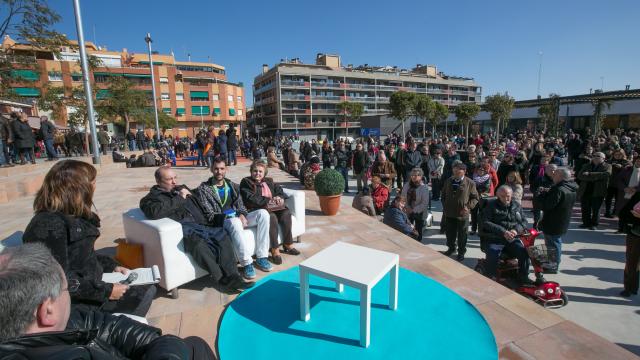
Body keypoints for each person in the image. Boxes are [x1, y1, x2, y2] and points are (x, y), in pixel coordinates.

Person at [0, 243, 217, 359]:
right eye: (66, 289)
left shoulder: (69, 321)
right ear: (47, 311)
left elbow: (110, 327)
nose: (71, 295)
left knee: (192, 344)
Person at [23, 160, 156, 316]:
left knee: (148, 288)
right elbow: (58, 279)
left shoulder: (71, 215)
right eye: (93, 182)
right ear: (79, 189)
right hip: (77, 303)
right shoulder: (48, 226)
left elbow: (81, 256)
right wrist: (107, 292)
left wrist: (111, 265)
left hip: (91, 285)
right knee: (143, 295)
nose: (95, 186)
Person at [140, 165, 253, 294]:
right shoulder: (150, 199)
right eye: (169, 179)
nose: (174, 182)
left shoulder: (180, 188)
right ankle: (222, 279)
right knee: (199, 245)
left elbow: (198, 201)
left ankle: (234, 277)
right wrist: (180, 198)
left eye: (175, 177)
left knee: (222, 235)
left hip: (201, 225)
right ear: (159, 181)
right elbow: (154, 212)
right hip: (185, 230)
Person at [195, 158, 272, 279]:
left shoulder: (232, 185)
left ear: (226, 169)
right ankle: (247, 263)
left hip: (237, 218)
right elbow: (208, 213)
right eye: (216, 169)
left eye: (222, 169)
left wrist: (242, 214)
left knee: (263, 213)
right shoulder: (204, 188)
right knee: (235, 221)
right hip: (221, 221)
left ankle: (262, 256)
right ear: (211, 169)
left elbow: (240, 205)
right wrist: (229, 216)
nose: (219, 172)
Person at [240, 160, 300, 266]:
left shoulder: (269, 181)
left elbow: (279, 191)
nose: (257, 173)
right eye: (255, 171)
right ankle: (274, 249)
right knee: (271, 217)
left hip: (272, 206)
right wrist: (271, 201)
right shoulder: (246, 182)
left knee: (286, 213)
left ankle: (288, 244)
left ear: (264, 173)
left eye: (260, 171)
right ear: (251, 171)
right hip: (257, 209)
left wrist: (279, 197)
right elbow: (251, 199)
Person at [482, 186, 532, 284]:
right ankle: (490, 278)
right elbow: (486, 222)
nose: (506, 198)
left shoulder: (516, 205)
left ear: (511, 195)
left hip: (512, 238)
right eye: (503, 196)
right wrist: (503, 232)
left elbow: (524, 221)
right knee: (492, 256)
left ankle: (523, 277)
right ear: (497, 196)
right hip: (495, 238)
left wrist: (516, 230)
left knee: (524, 253)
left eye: (508, 196)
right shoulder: (491, 205)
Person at [536, 168, 577, 273]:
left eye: (555, 174)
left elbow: (547, 205)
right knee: (554, 243)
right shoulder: (571, 187)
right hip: (561, 220)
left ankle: (552, 266)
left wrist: (540, 196)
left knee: (552, 244)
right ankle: (550, 263)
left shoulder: (558, 189)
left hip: (553, 221)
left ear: (561, 177)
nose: (553, 175)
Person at [441, 163, 479, 261]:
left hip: (462, 214)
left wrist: (468, 207)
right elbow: (443, 195)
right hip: (449, 213)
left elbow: (475, 198)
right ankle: (451, 248)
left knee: (462, 235)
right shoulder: (448, 181)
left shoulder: (470, 183)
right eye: (454, 169)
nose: (456, 171)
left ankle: (461, 252)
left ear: (464, 171)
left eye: (459, 170)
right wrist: (445, 206)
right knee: (450, 233)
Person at [577, 152, 612, 230]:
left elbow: (606, 174)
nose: (595, 157)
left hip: (598, 191)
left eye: (598, 156)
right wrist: (595, 178)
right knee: (585, 208)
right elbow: (580, 176)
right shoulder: (586, 165)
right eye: (594, 156)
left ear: (603, 158)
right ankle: (585, 223)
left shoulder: (607, 166)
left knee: (596, 209)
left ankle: (594, 224)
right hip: (585, 190)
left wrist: (589, 174)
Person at [617, 193, 640, 297]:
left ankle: (631, 287)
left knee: (632, 262)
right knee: (632, 262)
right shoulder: (638, 195)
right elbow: (623, 212)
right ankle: (630, 288)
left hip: (635, 234)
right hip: (635, 234)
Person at [401, 168, 430, 241]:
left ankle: (418, 242)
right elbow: (403, 197)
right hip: (407, 210)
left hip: (419, 212)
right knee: (408, 228)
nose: (413, 177)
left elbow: (424, 203)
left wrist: (413, 210)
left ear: (420, 176)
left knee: (418, 231)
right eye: (412, 175)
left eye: (415, 175)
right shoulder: (407, 185)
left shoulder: (424, 188)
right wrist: (406, 207)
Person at [605, 149, 630, 218]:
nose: (618, 156)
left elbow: (629, 172)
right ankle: (607, 212)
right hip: (610, 183)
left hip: (621, 184)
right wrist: (610, 165)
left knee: (618, 199)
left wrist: (622, 167)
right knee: (608, 198)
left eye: (620, 154)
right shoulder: (609, 161)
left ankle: (615, 212)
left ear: (623, 155)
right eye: (616, 154)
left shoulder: (626, 162)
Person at [470, 165, 492, 235]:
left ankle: (480, 230)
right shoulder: (473, 176)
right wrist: (477, 188)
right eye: (479, 169)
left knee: (482, 215)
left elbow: (486, 187)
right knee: (473, 214)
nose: (480, 171)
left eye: (482, 170)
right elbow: (470, 186)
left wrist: (476, 188)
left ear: (485, 171)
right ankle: (473, 229)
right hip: (474, 198)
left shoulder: (488, 177)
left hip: (483, 198)